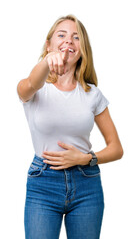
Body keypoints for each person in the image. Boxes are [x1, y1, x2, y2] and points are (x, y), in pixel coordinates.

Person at [17, 14, 123, 239]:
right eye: (61, 35)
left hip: (87, 184)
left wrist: (85, 158)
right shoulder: (35, 89)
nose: (69, 41)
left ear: (82, 49)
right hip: (43, 184)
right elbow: (30, 84)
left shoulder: (92, 94)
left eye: (76, 38)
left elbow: (116, 148)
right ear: (49, 45)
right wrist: (47, 63)